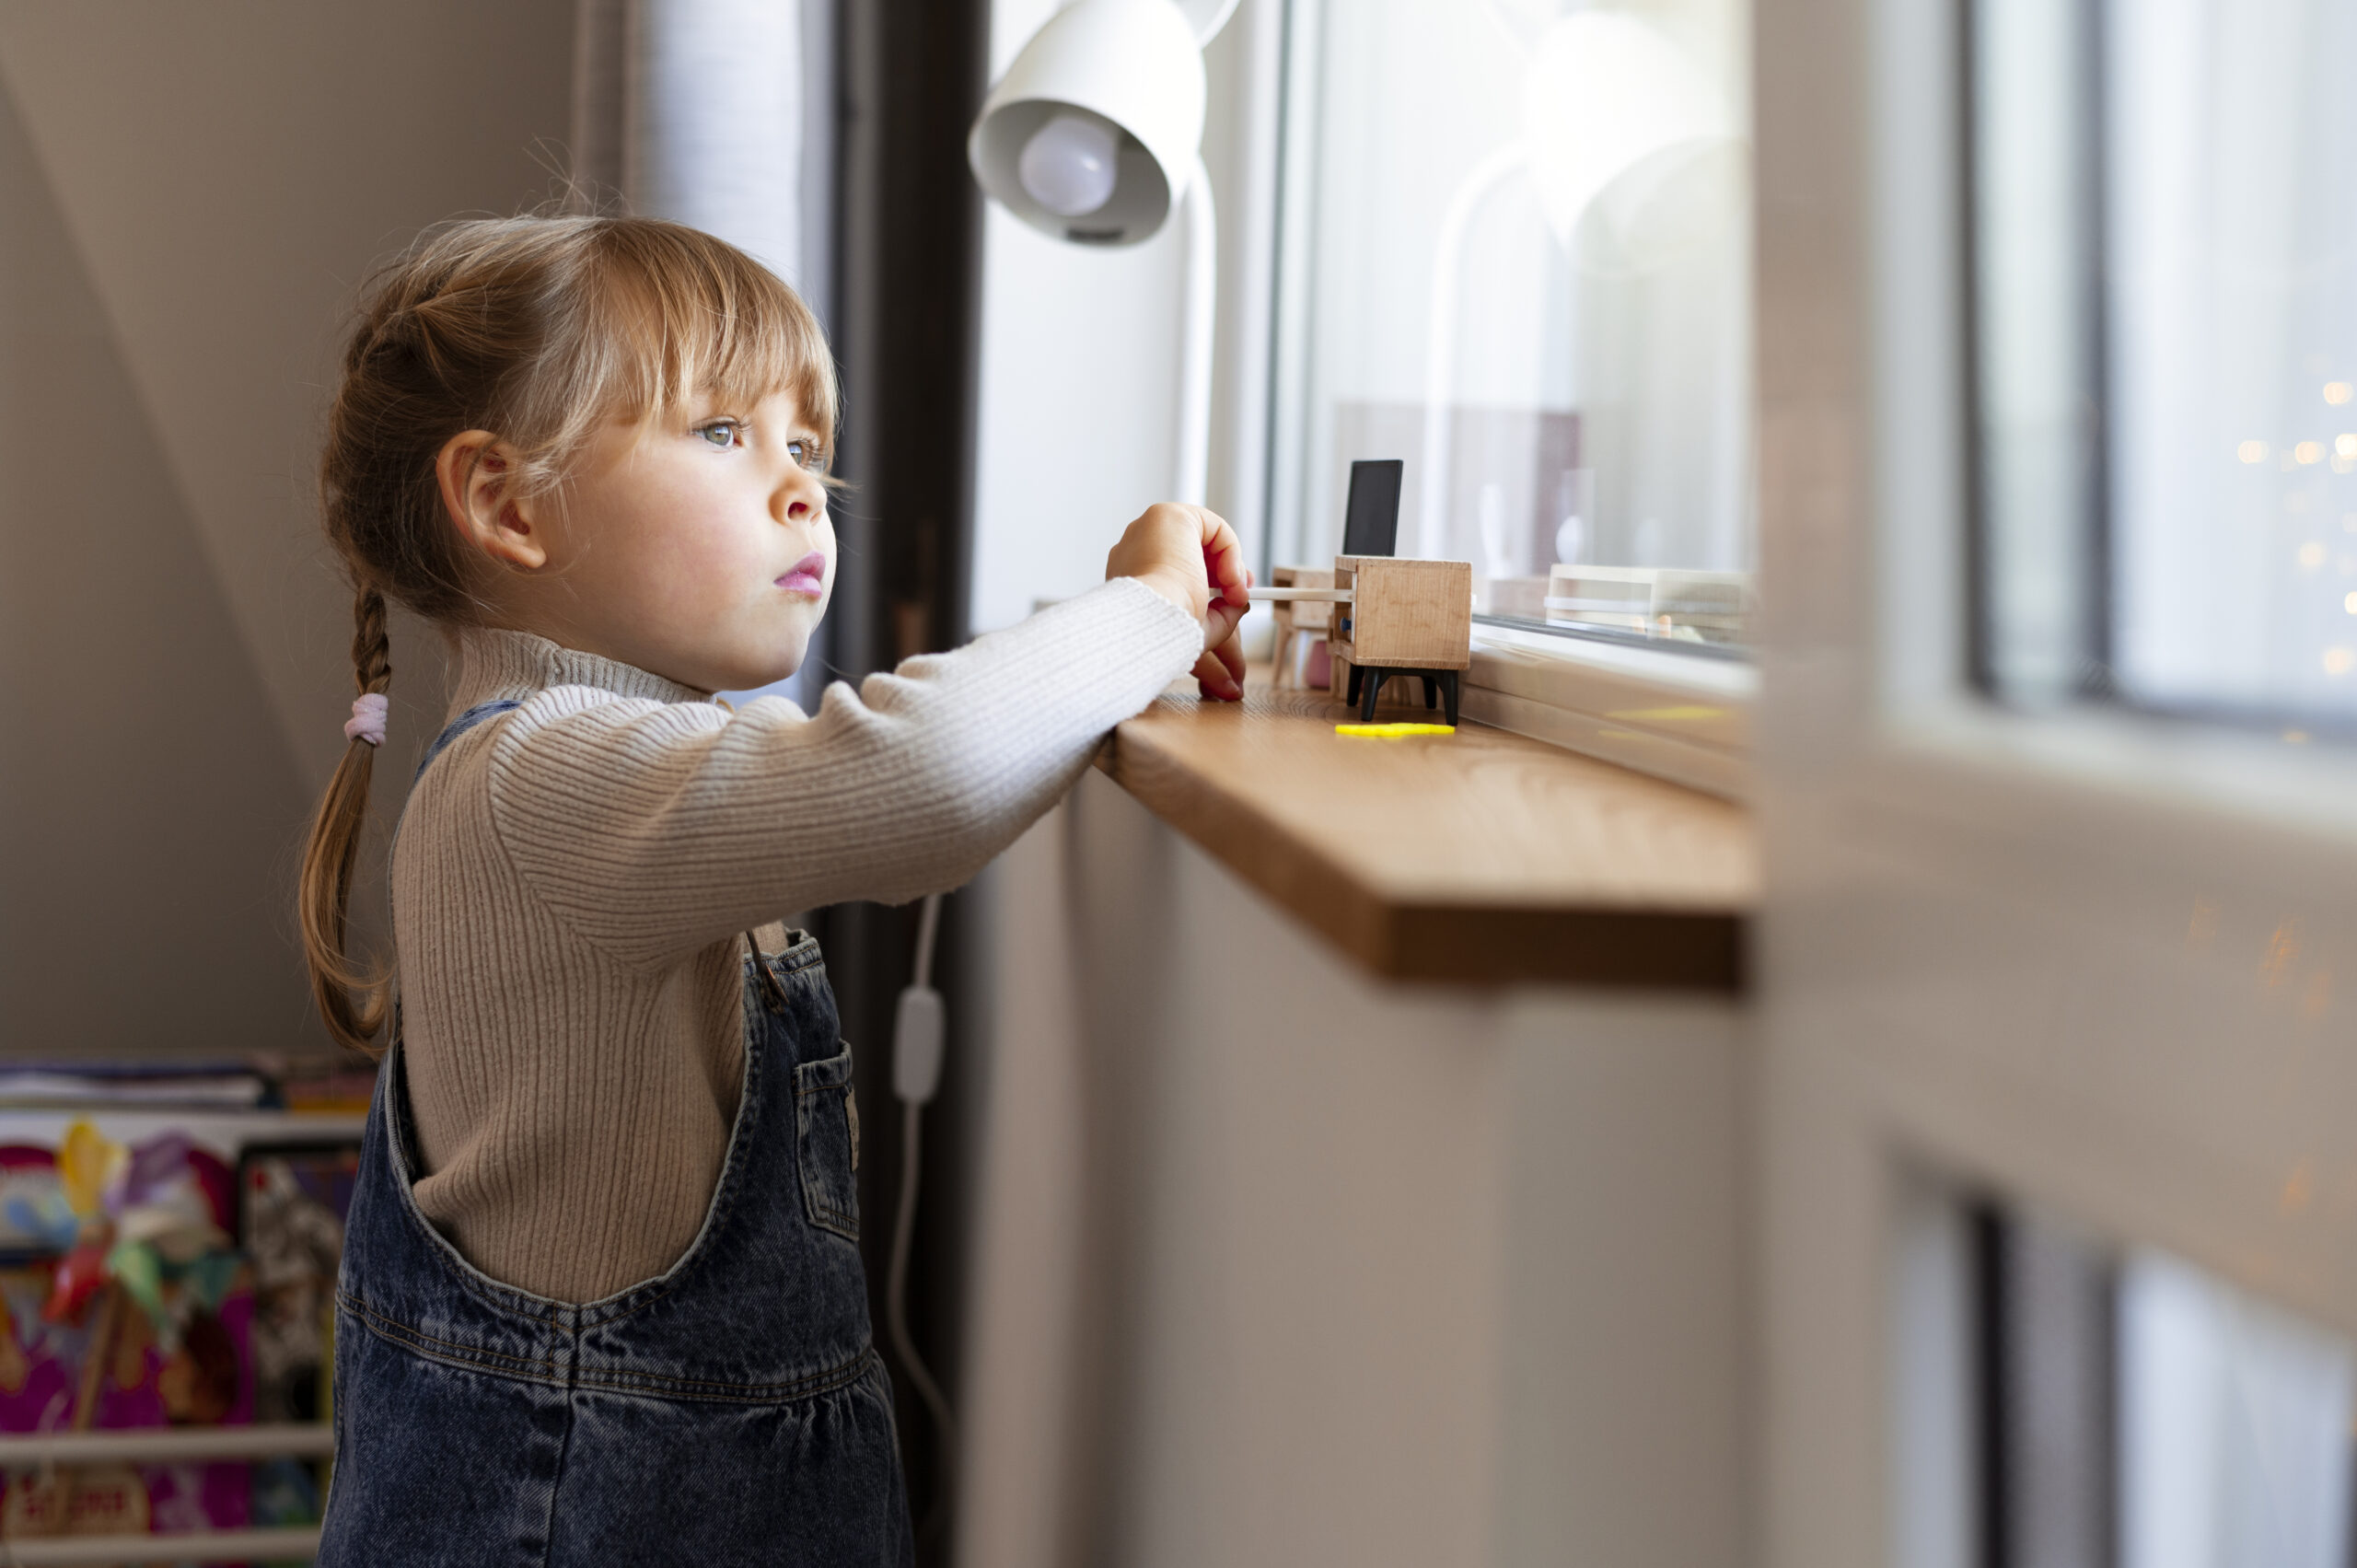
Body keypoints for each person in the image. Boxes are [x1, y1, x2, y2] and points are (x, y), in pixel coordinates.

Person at [298, 214, 1249, 1565]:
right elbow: (933, 775)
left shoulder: (630, 769)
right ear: (509, 505)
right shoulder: (544, 778)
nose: (803, 490)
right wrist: (1149, 603)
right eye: (722, 433)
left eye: (807, 448)